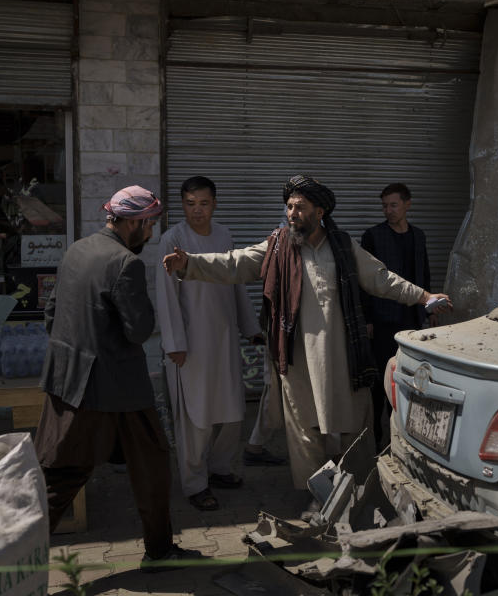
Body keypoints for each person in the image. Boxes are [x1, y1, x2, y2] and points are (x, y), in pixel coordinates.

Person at [162, 175, 451, 501]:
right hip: (296, 359)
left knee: (351, 425)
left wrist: (423, 296)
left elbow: (381, 279)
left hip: (342, 357)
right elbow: (235, 263)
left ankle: (360, 489)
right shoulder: (278, 245)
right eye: (288, 207)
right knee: (304, 431)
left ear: (320, 210)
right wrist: (191, 263)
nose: (292, 213)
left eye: (299, 207)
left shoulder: (342, 246)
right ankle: (321, 495)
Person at [34, 185, 196, 572]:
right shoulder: (127, 263)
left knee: (151, 462)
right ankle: (12, 558)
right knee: (63, 476)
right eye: (151, 224)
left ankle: (160, 550)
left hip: (73, 378)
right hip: (108, 386)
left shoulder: (77, 249)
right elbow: (138, 330)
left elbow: (51, 314)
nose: (152, 233)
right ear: (135, 222)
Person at [155, 176, 264, 511]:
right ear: (182, 205)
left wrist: (250, 326)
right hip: (190, 344)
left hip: (224, 337)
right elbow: (165, 296)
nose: (197, 210)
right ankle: (194, 483)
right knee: (195, 417)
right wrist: (174, 342)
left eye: (203, 203)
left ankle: (219, 469)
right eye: (190, 203)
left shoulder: (224, 235)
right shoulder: (171, 240)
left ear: (214, 204)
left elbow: (235, 282)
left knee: (231, 412)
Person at [361, 183, 431, 449]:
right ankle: (377, 438)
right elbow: (365, 281)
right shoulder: (373, 236)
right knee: (380, 380)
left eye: (393, 205)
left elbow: (423, 273)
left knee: (409, 376)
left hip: (412, 319)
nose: (388, 210)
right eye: (385, 205)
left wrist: (429, 307)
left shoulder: (418, 236)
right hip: (382, 319)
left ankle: (405, 435)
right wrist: (367, 318)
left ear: (407, 204)